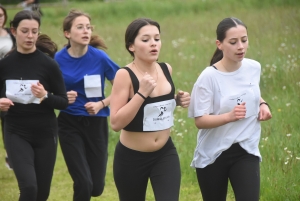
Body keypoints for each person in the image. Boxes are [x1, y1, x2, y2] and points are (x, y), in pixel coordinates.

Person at [188, 17, 272, 201]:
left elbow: (251, 92)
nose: (240, 46)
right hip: (214, 153)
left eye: (244, 40)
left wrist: (262, 104)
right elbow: (200, 121)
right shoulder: (208, 77)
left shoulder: (253, 67)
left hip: (245, 148)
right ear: (220, 44)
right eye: (233, 42)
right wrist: (229, 116)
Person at [110, 18, 190, 201]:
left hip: (164, 153)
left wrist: (177, 101)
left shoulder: (166, 69)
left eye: (157, 38)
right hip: (131, 158)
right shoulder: (124, 75)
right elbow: (115, 122)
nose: (153, 44)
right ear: (132, 46)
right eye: (145, 40)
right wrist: (141, 93)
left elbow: (156, 107)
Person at [0, 10, 68, 201]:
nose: (30, 36)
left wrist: (45, 96)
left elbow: (63, 102)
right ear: (14, 31)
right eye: (25, 31)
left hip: (45, 133)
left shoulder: (49, 65)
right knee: (29, 188)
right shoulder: (4, 66)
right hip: (16, 131)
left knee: (42, 194)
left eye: (34, 31)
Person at [54, 9, 119, 201]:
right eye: (80, 27)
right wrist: (62, 97)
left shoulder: (99, 57)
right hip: (69, 123)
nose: (86, 31)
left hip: (96, 123)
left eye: (88, 27)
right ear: (67, 33)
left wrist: (101, 104)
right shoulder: (57, 60)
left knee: (96, 187)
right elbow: (46, 91)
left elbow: (124, 88)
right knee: (84, 182)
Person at [0, 4, 16, 170]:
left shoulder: (11, 36)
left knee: (6, 116)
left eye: (1, 15)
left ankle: (10, 153)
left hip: (6, 82)